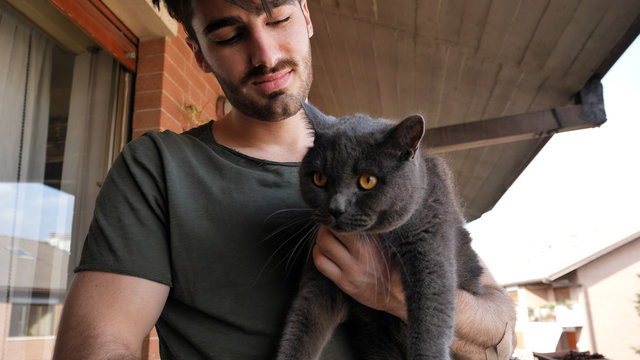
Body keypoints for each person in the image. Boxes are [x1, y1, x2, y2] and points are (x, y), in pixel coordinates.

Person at [53, 0, 516, 359]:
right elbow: (98, 344)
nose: (266, 55)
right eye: (231, 35)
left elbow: (500, 334)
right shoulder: (158, 169)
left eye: (277, 20)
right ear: (197, 52)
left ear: (306, 16)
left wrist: (392, 294)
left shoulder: (393, 165)